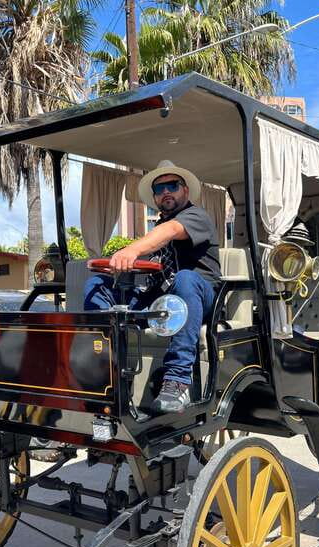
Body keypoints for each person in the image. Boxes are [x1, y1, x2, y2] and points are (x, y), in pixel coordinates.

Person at [84, 160, 221, 415]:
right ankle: (103, 367)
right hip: (160, 299)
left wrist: (132, 250)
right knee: (98, 285)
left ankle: (178, 381)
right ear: (155, 197)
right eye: (159, 189)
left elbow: (172, 230)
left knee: (185, 278)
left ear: (185, 190)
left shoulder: (196, 216)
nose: (166, 192)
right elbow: (154, 255)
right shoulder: (156, 230)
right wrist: (121, 265)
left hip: (200, 299)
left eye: (172, 186)